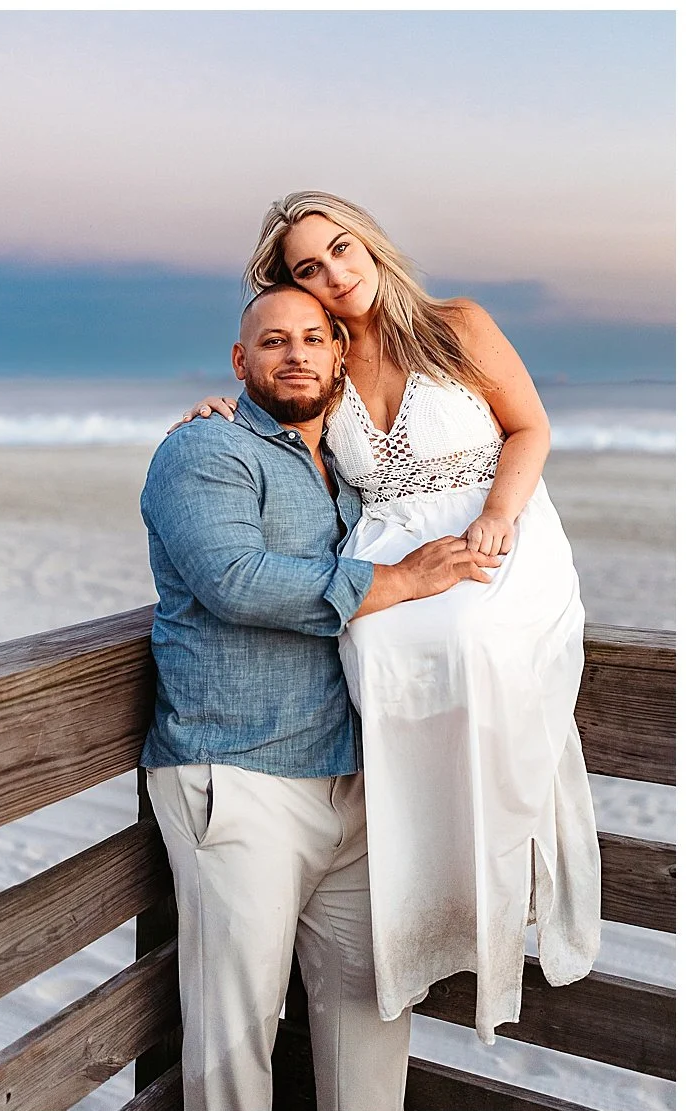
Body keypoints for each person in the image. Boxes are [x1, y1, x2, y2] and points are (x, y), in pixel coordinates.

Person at [178, 191, 601, 1045]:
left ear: (369, 243)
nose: (335, 274)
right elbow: (283, 407)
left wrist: (497, 519)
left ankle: (503, 870)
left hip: (496, 520)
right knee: (368, 643)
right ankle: (428, 885)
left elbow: (530, 429)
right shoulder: (327, 361)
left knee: (474, 639)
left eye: (341, 249)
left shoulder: (458, 325)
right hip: (391, 546)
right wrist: (229, 414)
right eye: (309, 269)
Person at [142, 283, 504, 1110]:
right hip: (238, 777)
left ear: (340, 354)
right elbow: (237, 582)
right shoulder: (206, 453)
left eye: (314, 338)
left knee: (371, 1012)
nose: (296, 353)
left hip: (352, 780)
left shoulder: (341, 464)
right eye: (273, 341)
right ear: (241, 361)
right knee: (235, 1030)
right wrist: (402, 580)